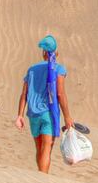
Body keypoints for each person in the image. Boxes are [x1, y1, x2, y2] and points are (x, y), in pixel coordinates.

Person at [17, 35, 75, 174]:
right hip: (48, 113)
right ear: (56, 53)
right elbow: (60, 94)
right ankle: (43, 179)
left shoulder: (31, 69)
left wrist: (19, 115)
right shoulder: (58, 69)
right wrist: (67, 117)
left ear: (43, 52)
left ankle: (40, 174)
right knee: (47, 147)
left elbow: (23, 94)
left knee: (39, 148)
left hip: (33, 114)